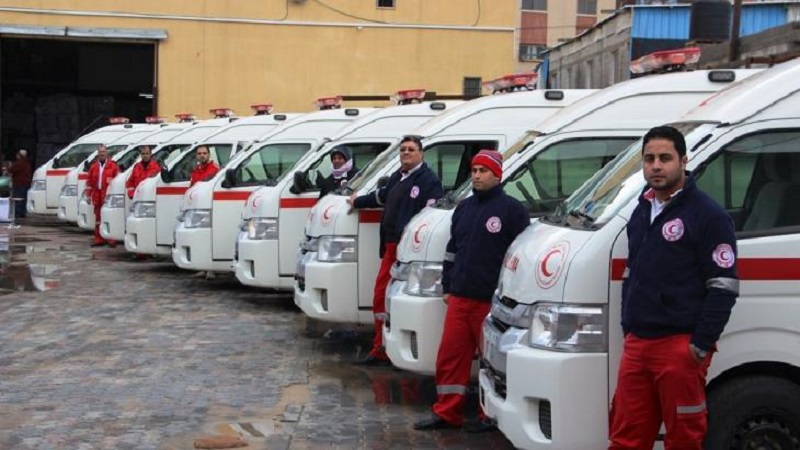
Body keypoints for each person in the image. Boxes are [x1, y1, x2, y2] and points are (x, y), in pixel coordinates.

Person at [609, 126, 739, 449]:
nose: (656, 166)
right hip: (638, 344)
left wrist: (699, 345)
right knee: (626, 436)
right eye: (649, 159)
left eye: (665, 158)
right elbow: (632, 273)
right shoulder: (642, 210)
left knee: (683, 439)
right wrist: (628, 326)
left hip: (679, 347)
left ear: (683, 161)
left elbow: (723, 286)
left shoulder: (708, 215)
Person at [413, 150, 529, 432]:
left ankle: (489, 414)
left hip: (490, 303)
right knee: (450, 357)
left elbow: (520, 258)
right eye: (474, 170)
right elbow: (452, 251)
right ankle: (447, 412)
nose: (476, 176)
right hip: (459, 298)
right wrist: (447, 285)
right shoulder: (463, 209)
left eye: (483, 171)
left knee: (491, 362)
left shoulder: (513, 210)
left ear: (497, 175)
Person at [347, 135, 444, 365]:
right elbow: (380, 197)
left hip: (409, 253)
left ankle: (389, 350)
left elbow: (431, 216)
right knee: (381, 296)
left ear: (421, 153)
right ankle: (380, 347)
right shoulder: (397, 177)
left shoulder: (429, 181)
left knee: (392, 299)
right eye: (402, 150)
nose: (406, 153)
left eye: (411, 149)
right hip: (391, 247)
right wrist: (356, 201)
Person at [189, 145, 219, 279]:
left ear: (209, 155)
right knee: (199, 239)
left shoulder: (214, 170)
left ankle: (211, 269)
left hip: (208, 209)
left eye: (204, 153)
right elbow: (191, 187)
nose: (202, 155)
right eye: (199, 153)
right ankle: (203, 267)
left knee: (209, 239)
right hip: (196, 208)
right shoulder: (196, 171)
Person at [87, 145, 120, 247]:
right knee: (98, 219)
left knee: (110, 217)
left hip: (108, 195)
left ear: (106, 153)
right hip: (97, 195)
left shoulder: (113, 166)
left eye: (103, 152)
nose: (102, 153)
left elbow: (117, 181)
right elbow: (89, 182)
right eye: (100, 152)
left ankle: (111, 239)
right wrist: (88, 195)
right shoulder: (93, 167)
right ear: (98, 153)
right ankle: (99, 239)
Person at [6, 149, 32, 219]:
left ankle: (17, 213)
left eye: (17, 154)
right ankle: (23, 213)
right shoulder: (27, 163)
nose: (16, 155)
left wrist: (9, 166)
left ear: (20, 156)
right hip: (25, 184)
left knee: (17, 199)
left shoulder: (20, 163)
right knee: (23, 199)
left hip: (19, 183)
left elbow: (11, 170)